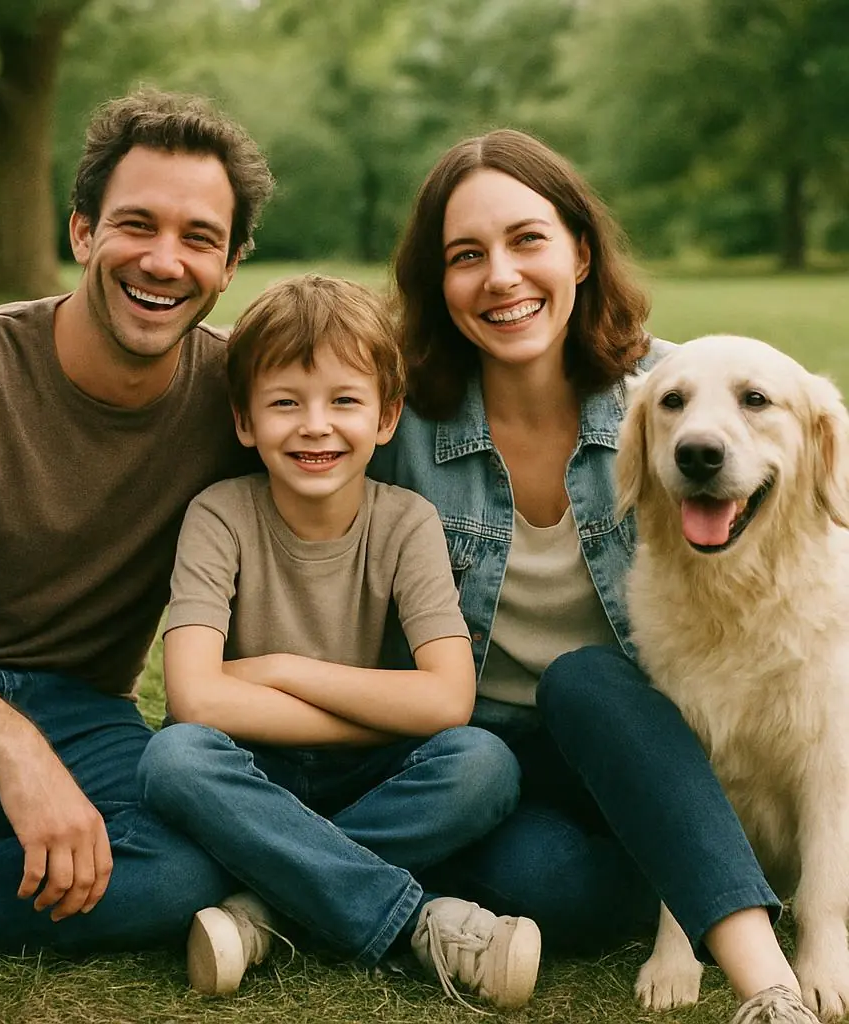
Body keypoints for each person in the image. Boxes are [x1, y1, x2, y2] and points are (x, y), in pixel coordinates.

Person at [0, 88, 274, 1024]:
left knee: (183, 861)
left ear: (232, 264)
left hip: (87, 719)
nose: (163, 260)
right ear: (81, 231)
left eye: (199, 237)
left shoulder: (241, 396)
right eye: (135, 225)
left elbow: (382, 410)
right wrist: (9, 742)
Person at [368, 128, 821, 1023]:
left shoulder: (681, 393)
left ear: (579, 249)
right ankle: (679, 868)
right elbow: (277, 373)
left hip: (634, 737)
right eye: (466, 255)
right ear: (439, 282)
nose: (500, 276)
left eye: (527, 240)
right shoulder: (399, 422)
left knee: (584, 679)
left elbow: (801, 465)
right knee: (548, 883)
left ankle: (767, 983)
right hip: (484, 753)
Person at [135, 273, 541, 1010]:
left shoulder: (406, 522)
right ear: (245, 421)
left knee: (483, 762)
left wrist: (284, 669)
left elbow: (450, 699)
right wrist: (388, 707)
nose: (315, 425)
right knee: (173, 759)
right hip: (252, 771)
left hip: (374, 773)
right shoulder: (219, 516)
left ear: (387, 418)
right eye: (285, 402)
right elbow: (194, 699)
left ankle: (263, 909)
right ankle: (416, 920)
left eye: (343, 401)